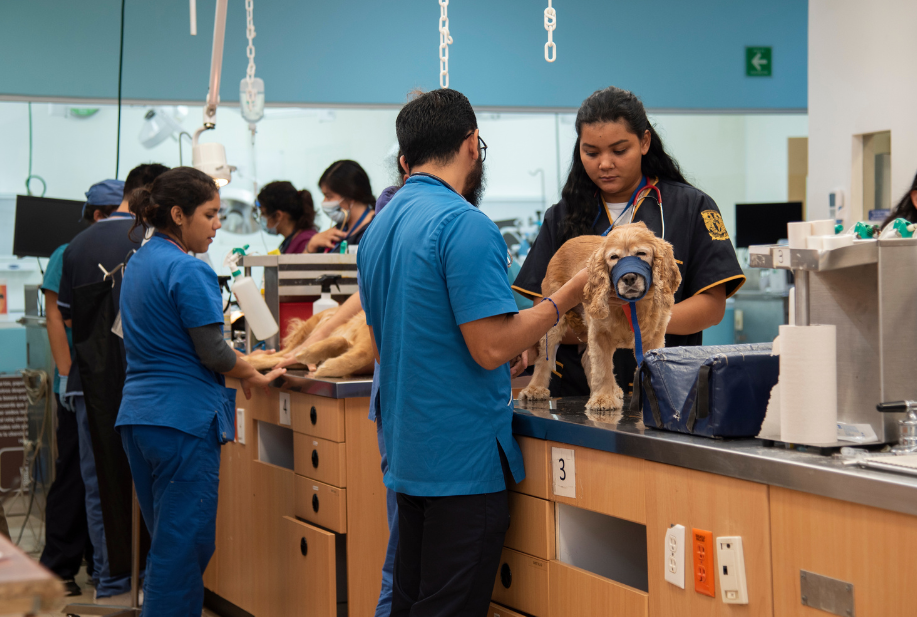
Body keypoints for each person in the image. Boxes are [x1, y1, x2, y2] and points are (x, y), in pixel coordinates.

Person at [357, 88, 588, 617]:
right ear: (471, 145)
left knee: (412, 602)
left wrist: (503, 343)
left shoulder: (379, 229)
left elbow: (391, 339)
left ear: (405, 155)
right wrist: (569, 294)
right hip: (460, 462)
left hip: (408, 453)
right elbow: (489, 347)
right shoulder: (465, 223)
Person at [117, 167, 285, 615]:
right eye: (210, 215)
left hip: (139, 421)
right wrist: (252, 374)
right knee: (182, 553)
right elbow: (213, 351)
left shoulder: (139, 262)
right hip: (181, 424)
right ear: (178, 214)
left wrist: (241, 368)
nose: (217, 225)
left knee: (168, 545)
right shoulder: (188, 270)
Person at [514, 86, 745, 397]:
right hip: (579, 395)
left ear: (645, 142)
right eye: (591, 153)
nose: (604, 163)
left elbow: (711, 307)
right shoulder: (562, 217)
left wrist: (639, 315)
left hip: (669, 391)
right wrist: (600, 324)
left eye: (619, 151)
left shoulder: (691, 208)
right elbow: (543, 313)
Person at [58, 163, 168, 600]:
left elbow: (67, 316)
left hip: (89, 385)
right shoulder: (160, 245)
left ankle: (111, 579)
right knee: (153, 485)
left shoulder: (77, 245)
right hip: (149, 385)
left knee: (98, 480)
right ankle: (152, 580)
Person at [39, 210, 108, 595]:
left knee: (97, 479)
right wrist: (65, 373)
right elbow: (55, 316)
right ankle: (58, 567)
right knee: (74, 477)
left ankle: (93, 561)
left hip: (101, 381)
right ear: (100, 213)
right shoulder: (68, 252)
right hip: (77, 382)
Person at [315, 160, 376, 253]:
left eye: (328, 196)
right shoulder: (340, 229)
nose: (324, 202)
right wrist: (311, 245)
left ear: (350, 195)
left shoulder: (374, 231)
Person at [256, 181, 319, 253]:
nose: (261, 217)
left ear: (278, 215)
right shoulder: (291, 241)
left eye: (263, 213)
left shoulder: (305, 242)